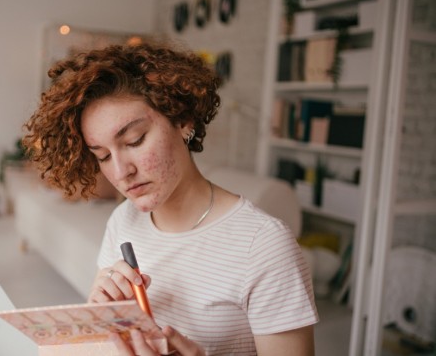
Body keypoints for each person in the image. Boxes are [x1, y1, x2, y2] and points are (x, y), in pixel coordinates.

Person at [23, 42, 318, 355]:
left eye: (135, 140)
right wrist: (100, 313)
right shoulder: (123, 221)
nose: (122, 172)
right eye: (103, 155)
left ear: (183, 121)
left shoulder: (263, 245)